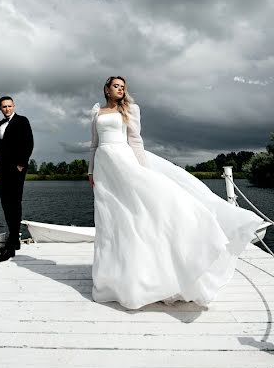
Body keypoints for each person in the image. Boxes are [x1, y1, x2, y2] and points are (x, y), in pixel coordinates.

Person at [88, 76, 264, 309]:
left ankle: (153, 275)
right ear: (106, 89)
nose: (120, 90)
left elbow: (136, 141)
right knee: (111, 220)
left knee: (138, 214)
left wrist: (143, 170)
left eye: (123, 87)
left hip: (125, 164)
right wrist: (90, 172)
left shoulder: (130, 110)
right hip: (104, 169)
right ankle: (113, 280)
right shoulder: (96, 113)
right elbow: (93, 144)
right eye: (116, 86)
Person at [0, 96, 34, 263]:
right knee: (6, 205)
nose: (7, 109)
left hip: (17, 169)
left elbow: (28, 143)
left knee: (14, 204)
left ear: (13, 106)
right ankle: (14, 241)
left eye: (9, 106)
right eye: (4, 106)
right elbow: (0, 149)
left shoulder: (22, 121)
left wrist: (21, 164)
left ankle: (11, 246)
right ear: (0, 108)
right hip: (4, 170)